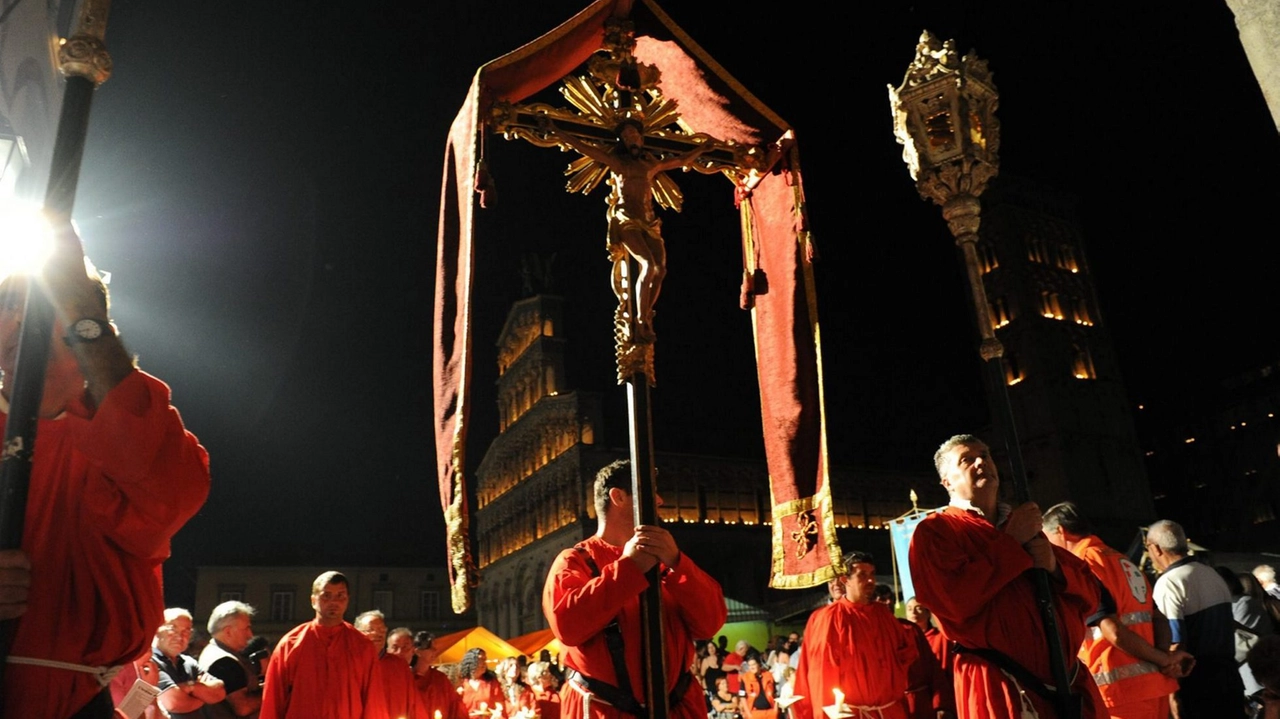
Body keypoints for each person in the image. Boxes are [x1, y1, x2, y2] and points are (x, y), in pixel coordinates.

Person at [0, 249, 211, 718]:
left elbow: (169, 497)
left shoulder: (136, 438)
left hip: (79, 705)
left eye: (47, 303)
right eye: (8, 303)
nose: (22, 319)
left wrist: (82, 310)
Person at [908, 434, 1104, 719]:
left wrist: (1053, 566)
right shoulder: (936, 531)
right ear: (947, 482)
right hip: (1001, 685)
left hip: (1069, 685)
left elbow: (1091, 594)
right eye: (967, 459)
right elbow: (953, 600)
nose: (981, 461)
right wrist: (1012, 543)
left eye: (985, 455)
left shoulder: (1022, 523)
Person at [542, 459, 727, 719]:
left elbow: (710, 623)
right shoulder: (575, 561)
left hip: (678, 709)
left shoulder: (666, 559)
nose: (660, 500)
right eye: (650, 492)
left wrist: (677, 563)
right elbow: (567, 626)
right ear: (617, 497)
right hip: (604, 711)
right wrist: (629, 568)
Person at [538, 119, 711, 343]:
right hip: (627, 219)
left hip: (649, 221)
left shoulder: (650, 165)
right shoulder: (618, 163)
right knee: (647, 265)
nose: (633, 139)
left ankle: (646, 312)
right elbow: (584, 147)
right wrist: (557, 130)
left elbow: (679, 159)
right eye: (628, 137)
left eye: (636, 136)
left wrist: (701, 149)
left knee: (660, 269)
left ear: (641, 139)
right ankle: (640, 319)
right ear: (622, 141)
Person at [1041, 502, 1189, 719]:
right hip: (1155, 687)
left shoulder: (1082, 565)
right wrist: (1163, 657)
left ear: (1061, 531)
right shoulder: (1123, 561)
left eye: (1047, 538)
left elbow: (1113, 631)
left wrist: (1163, 660)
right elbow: (1158, 618)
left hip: (1120, 694)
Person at [791, 551, 916, 719]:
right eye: (862, 575)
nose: (871, 580)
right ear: (845, 579)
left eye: (872, 574)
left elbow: (906, 655)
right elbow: (820, 677)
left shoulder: (883, 614)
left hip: (889, 711)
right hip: (851, 714)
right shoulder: (829, 618)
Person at [1146, 519, 1244, 716]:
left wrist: (1172, 693)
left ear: (1156, 548)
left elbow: (1175, 642)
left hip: (1198, 686)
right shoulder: (1213, 575)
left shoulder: (1169, 583)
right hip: (1230, 678)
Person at [259, 571, 387, 719]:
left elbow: (373, 700)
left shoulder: (362, 646)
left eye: (340, 595)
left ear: (347, 600)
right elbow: (273, 700)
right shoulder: (291, 644)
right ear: (313, 600)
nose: (334, 602)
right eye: (326, 595)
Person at [153, 608, 226, 719]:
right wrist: (202, 695)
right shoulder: (150, 661)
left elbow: (219, 692)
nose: (180, 636)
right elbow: (173, 702)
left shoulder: (189, 662)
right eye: (172, 628)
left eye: (186, 631)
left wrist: (189, 688)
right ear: (157, 629)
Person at [355, 610, 425, 719]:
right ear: (357, 633)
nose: (378, 634)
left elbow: (414, 705)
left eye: (382, 630)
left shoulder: (399, 666)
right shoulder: (349, 664)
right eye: (371, 630)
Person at [199, 601, 263, 719]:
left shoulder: (214, 653)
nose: (250, 635)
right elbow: (243, 707)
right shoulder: (224, 662)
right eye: (246, 628)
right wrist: (273, 689)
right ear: (228, 631)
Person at [408, 631, 466, 719]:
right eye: (430, 648)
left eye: (435, 648)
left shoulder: (440, 678)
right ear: (418, 651)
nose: (434, 651)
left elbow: (454, 705)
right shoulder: (408, 678)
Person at [457, 648, 504, 716]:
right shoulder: (460, 683)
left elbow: (500, 703)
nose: (484, 663)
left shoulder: (491, 682)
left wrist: (497, 712)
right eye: (481, 659)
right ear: (471, 661)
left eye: (485, 660)